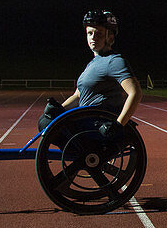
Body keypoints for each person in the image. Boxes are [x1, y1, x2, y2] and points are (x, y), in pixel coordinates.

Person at [37, 10, 142, 141]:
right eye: (90, 33)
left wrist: (119, 124)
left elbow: (135, 93)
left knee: (46, 124)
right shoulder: (92, 64)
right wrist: (59, 109)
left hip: (96, 125)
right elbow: (77, 95)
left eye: (98, 34)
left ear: (110, 37)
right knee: (46, 120)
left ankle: (81, 156)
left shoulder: (114, 61)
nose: (93, 37)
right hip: (85, 120)